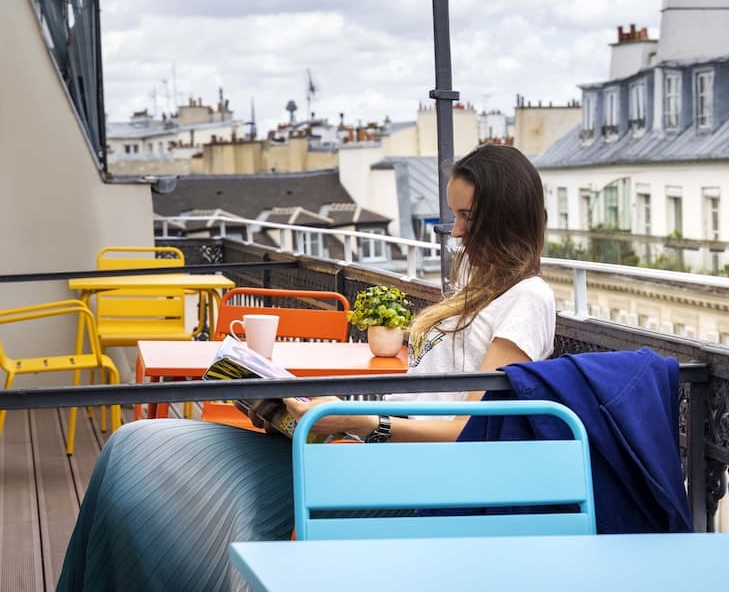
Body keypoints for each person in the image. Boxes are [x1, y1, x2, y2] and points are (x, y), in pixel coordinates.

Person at [57, 143, 556, 591]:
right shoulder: (477, 291)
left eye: (468, 216)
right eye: (455, 216)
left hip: (410, 480)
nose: (458, 231)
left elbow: (468, 434)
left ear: (506, 217)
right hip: (370, 454)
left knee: (142, 463)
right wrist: (296, 412)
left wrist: (363, 422)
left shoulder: (528, 298)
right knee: (129, 448)